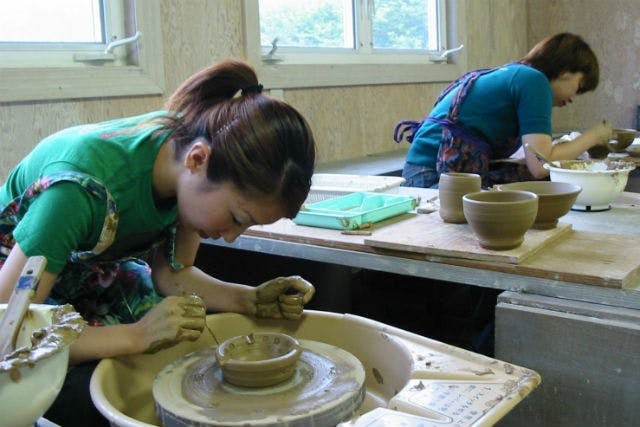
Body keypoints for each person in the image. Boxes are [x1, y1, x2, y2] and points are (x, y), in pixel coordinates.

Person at [0, 58, 317, 426]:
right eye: (236, 218)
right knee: (95, 393)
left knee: (189, 341)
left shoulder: (189, 155)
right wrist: (136, 336)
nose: (232, 237)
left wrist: (249, 299)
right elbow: (12, 332)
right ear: (198, 160)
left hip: (89, 266)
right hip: (16, 286)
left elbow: (172, 276)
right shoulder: (77, 192)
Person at [394, 32, 614, 188]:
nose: (574, 97)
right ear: (565, 71)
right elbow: (541, 165)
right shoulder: (534, 81)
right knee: (549, 185)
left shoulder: (516, 73)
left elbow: (537, 160)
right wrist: (593, 136)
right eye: (579, 86)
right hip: (429, 178)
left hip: (424, 172)